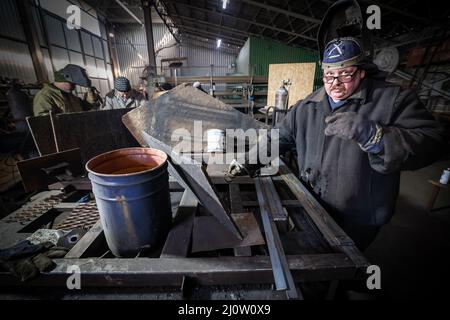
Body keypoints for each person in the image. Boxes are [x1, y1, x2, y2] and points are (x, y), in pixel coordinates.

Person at [229, 37, 447, 250]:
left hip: (359, 214)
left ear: (361, 72)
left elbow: (435, 141)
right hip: (313, 201)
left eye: (345, 74)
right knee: (316, 258)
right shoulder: (307, 106)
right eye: (329, 75)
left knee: (346, 259)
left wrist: (377, 136)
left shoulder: (392, 100)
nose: (335, 83)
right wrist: (247, 162)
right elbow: (277, 138)